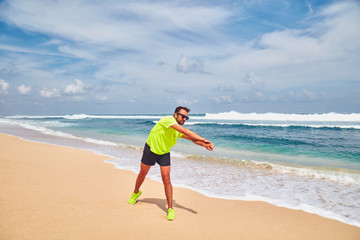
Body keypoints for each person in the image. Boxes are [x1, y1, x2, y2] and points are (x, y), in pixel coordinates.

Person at [128, 106, 214, 220]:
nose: (184, 119)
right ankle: (135, 192)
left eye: (186, 118)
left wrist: (204, 144)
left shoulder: (176, 130)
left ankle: (170, 208)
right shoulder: (167, 120)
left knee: (166, 179)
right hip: (151, 150)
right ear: (175, 115)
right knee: (142, 174)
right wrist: (204, 139)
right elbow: (186, 131)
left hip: (164, 153)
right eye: (182, 116)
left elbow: (190, 137)